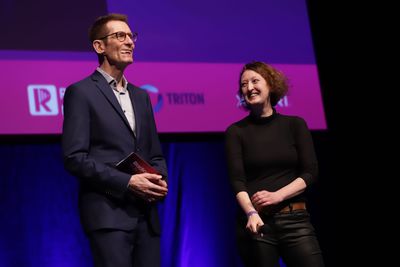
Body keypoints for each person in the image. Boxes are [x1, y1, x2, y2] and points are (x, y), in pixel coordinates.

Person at [62, 13, 168, 267]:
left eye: (131, 36)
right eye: (120, 36)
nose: (130, 42)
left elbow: (154, 153)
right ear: (99, 46)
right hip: (108, 216)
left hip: (146, 216)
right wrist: (128, 182)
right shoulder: (81, 92)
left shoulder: (141, 96)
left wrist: (158, 180)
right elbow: (74, 158)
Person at [225, 61, 324, 267]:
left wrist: (277, 196)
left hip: (296, 220)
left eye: (255, 81)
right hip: (258, 224)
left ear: (270, 84)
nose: (249, 87)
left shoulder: (295, 124)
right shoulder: (236, 131)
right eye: (244, 84)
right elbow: (237, 180)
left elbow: (310, 172)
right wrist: (251, 213)